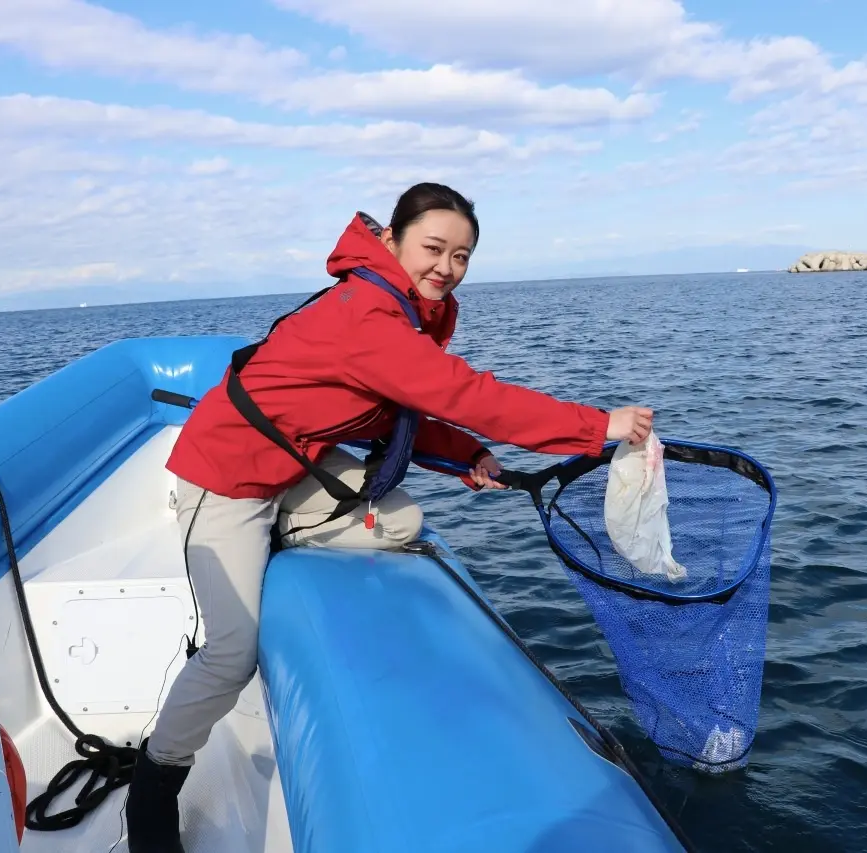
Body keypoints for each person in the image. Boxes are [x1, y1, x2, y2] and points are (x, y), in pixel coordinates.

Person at [125, 182, 654, 852]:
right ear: (394, 241)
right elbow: (465, 393)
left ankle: (287, 535)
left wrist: (470, 456)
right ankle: (153, 786)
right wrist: (596, 424)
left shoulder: (398, 309)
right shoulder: (367, 316)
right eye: (434, 248)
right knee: (232, 652)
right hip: (225, 478)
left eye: (462, 256)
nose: (447, 266)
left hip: (291, 465)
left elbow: (391, 413)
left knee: (400, 523)